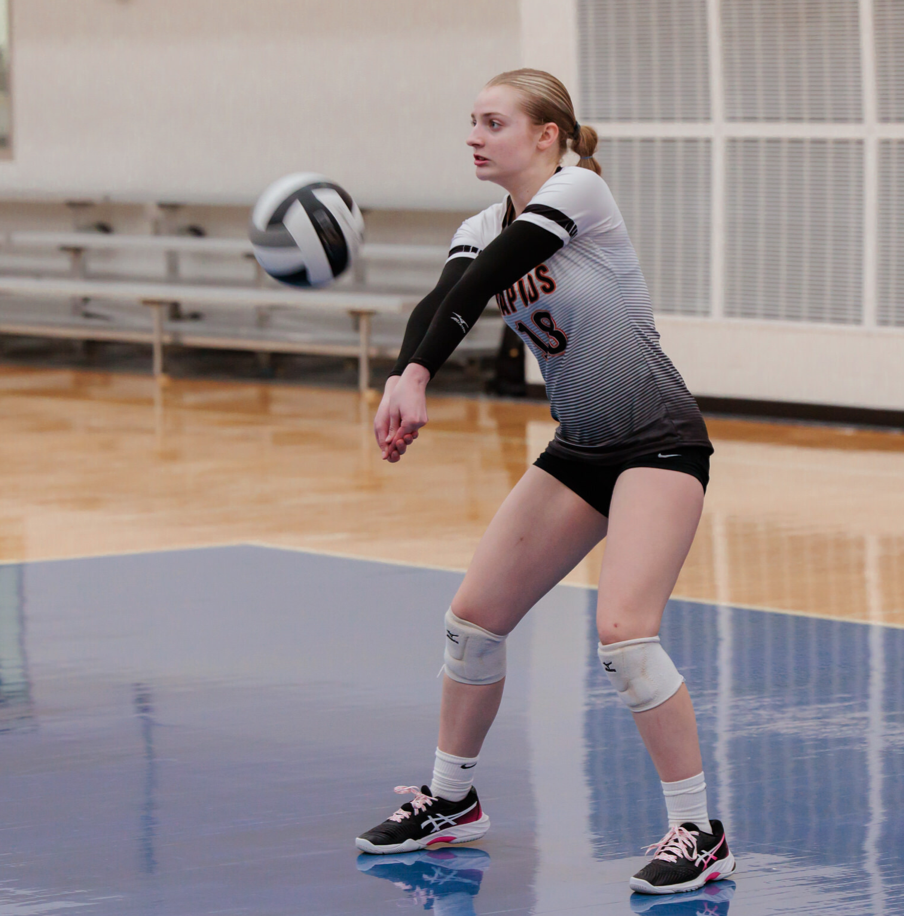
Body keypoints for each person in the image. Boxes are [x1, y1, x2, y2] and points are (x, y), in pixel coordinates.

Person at [355, 68, 735, 896]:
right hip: (582, 446)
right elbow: (446, 294)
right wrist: (404, 372)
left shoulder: (580, 195)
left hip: (658, 441)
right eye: (471, 122)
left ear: (547, 136)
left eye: (493, 122)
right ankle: (451, 801)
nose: (475, 136)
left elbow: (494, 273)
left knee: (626, 637)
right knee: (472, 624)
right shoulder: (482, 223)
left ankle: (700, 833)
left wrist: (417, 375)